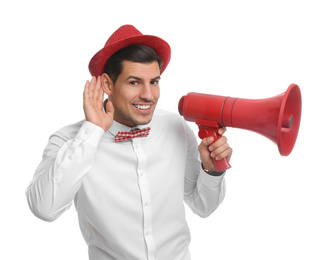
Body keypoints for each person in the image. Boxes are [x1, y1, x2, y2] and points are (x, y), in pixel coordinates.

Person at [26, 25, 233, 260]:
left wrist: (212, 172)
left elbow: (203, 207)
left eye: (154, 82)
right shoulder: (68, 141)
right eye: (134, 82)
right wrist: (92, 132)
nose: (148, 95)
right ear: (107, 85)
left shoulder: (176, 128)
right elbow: (44, 208)